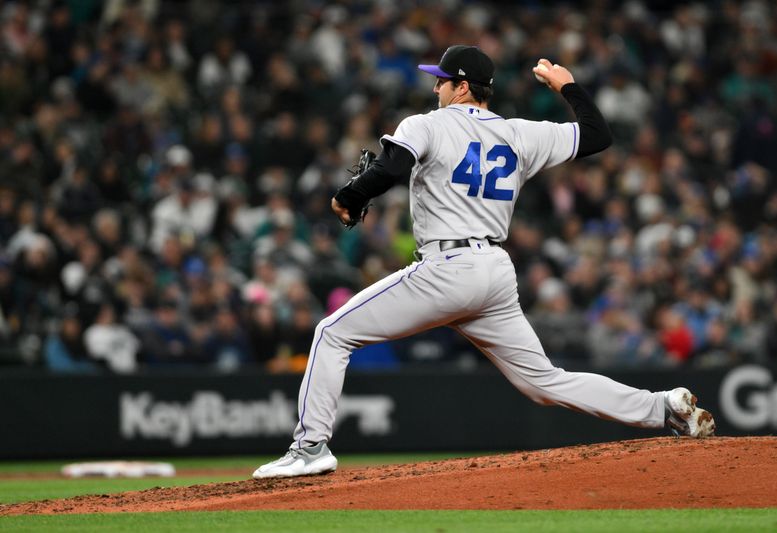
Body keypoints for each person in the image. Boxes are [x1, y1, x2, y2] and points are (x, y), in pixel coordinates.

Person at [253, 45, 715, 479]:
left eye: (441, 81)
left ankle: (311, 448)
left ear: (462, 86)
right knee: (544, 382)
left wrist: (348, 196)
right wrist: (567, 86)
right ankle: (662, 407)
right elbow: (598, 135)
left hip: (448, 266)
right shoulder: (519, 133)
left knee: (332, 333)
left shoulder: (428, 124)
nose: (434, 88)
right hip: (494, 271)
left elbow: (391, 168)